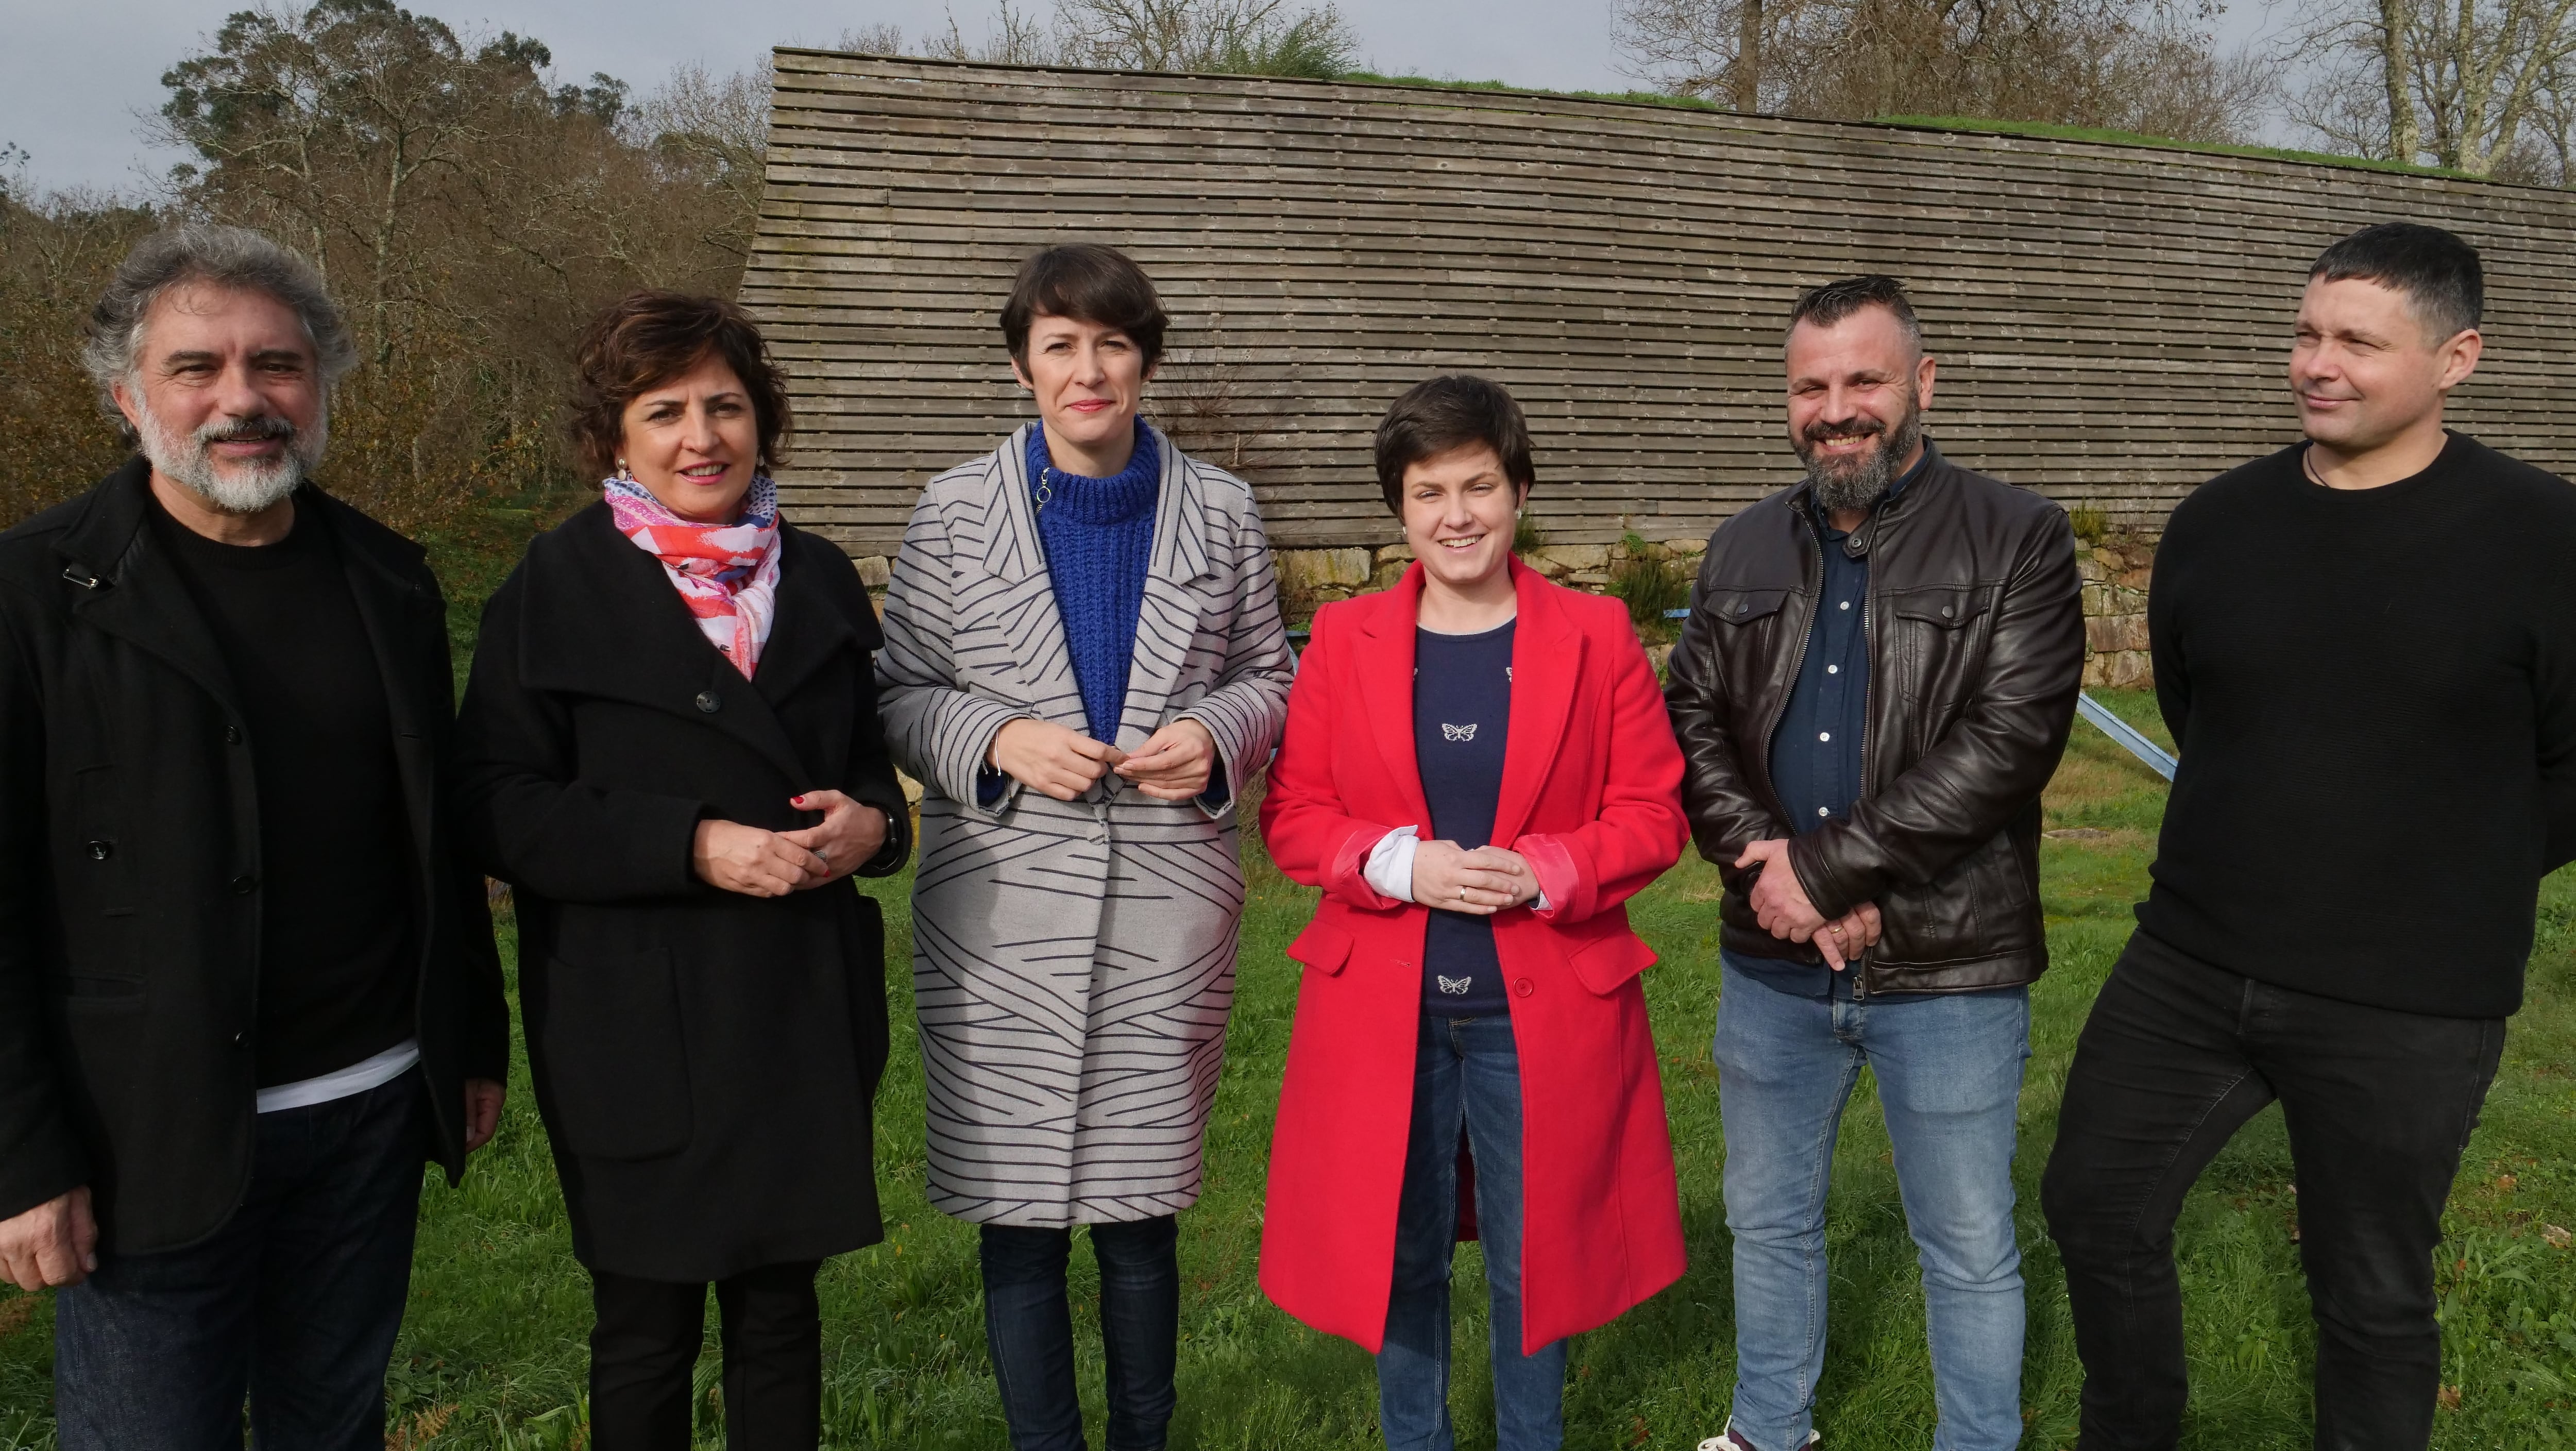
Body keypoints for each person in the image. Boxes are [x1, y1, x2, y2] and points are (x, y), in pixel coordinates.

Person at [2041, 224, 2576, 1451]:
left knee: (2370, 1290)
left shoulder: (2543, 538)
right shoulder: (2219, 522)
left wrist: (2459, 858)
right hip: (2188, 960)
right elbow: (2199, 705)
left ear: (2458, 359)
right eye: (2305, 333)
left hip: (2411, 995)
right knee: (2094, 1205)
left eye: (2356, 342)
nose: (2315, 365)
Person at [0, 224, 509, 1449]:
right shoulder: (31, 597)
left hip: (369, 1109)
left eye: (276, 364)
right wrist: (19, 1152)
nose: (243, 399)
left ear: (321, 383)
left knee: (332, 1427)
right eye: (197, 369)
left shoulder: (388, 579)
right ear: (128, 396)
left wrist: (468, 1035)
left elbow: (432, 836)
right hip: (148, 1131)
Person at [455, 291, 911, 1450]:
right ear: (615, 437)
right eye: (664, 411)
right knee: (644, 1327)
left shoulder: (814, 577)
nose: (700, 436)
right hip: (634, 1019)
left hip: (796, 1007)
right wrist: (692, 843)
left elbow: (867, 765)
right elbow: (499, 807)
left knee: (781, 1312)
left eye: (727, 405)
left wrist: (876, 828)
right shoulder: (552, 588)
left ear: (765, 423)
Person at [875, 242, 1293, 1450]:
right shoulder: (955, 508)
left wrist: (1215, 731)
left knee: (1139, 1217)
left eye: (1112, 342)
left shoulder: (1221, 508)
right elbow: (898, 688)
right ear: (1022, 365)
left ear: (1145, 360)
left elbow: (1272, 673)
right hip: (1000, 910)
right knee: (1015, 1222)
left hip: (1166, 903)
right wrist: (998, 732)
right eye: (1060, 343)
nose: (1088, 368)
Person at [1664, 275, 2085, 1451]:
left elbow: (2008, 743)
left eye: (1863, 379)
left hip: (1947, 961)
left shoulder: (2019, 535)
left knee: (1962, 1239)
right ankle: (1766, 1430)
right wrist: (1769, 875)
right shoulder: (1744, 542)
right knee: (1768, 1220)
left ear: (1922, 385)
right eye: (1811, 385)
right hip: (1772, 962)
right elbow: (1690, 717)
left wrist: (1830, 874)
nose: (1835, 408)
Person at [1258, 375, 1691, 1450]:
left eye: (1478, 485)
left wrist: (1550, 867)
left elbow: (1652, 814)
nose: (1455, 514)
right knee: (1392, 1251)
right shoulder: (1342, 638)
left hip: (1538, 1005)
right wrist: (1397, 865)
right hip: (1383, 1007)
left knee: (1532, 1253)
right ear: (1399, 510)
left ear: (1519, 490)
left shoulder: (1595, 636)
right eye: (1426, 491)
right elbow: (1294, 816)